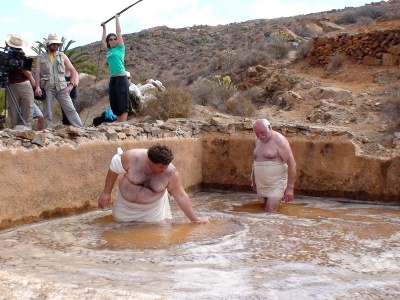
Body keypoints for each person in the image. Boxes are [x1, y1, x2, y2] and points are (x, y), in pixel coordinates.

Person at [98, 143, 208, 223]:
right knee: (118, 234)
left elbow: (181, 196)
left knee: (156, 239)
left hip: (153, 211)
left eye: (166, 166)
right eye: (161, 167)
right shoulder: (132, 157)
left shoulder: (171, 173)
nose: (164, 170)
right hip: (125, 207)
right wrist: (106, 193)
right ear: (150, 161)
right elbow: (113, 169)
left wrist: (195, 219)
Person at [34, 33, 83, 128]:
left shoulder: (62, 55)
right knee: (48, 112)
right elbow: (38, 73)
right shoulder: (41, 57)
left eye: (57, 44)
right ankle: (49, 131)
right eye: (53, 44)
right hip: (48, 87)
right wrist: (38, 87)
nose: (55, 46)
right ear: (48, 44)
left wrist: (71, 85)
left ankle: (80, 129)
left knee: (70, 109)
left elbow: (72, 70)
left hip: (62, 87)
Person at [251, 118, 296, 212]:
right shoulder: (257, 140)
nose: (260, 136)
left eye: (262, 132)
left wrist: (289, 188)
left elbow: (292, 163)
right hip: (262, 184)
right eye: (257, 133)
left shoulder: (279, 140)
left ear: (269, 127)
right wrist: (254, 181)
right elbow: (255, 162)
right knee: (261, 210)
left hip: (276, 184)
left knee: (269, 211)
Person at [101, 14, 130, 122]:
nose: (113, 40)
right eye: (111, 39)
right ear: (109, 42)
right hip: (113, 78)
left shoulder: (120, 48)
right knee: (114, 101)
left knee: (123, 100)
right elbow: (103, 41)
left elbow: (118, 32)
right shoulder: (109, 51)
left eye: (115, 39)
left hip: (122, 77)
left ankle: (122, 124)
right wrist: (104, 28)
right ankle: (118, 122)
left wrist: (117, 19)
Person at [4, 34, 35, 128]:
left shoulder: (25, 57)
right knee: (18, 114)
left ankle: (25, 133)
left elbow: (27, 72)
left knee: (25, 114)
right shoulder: (6, 57)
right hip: (15, 85)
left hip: (20, 85)